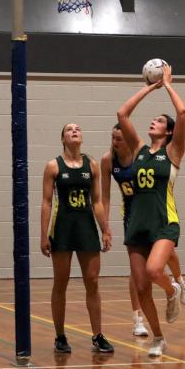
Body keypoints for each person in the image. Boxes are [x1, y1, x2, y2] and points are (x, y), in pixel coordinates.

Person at [116, 64, 185, 357]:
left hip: (164, 221)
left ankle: (172, 291)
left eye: (159, 120)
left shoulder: (174, 151)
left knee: (154, 269)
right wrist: (150, 86)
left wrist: (168, 84)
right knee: (142, 287)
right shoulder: (141, 149)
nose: (154, 122)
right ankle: (158, 337)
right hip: (137, 224)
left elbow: (182, 113)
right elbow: (122, 115)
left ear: (168, 131)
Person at [100, 124, 185, 337]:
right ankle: (138, 318)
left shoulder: (140, 154)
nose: (115, 142)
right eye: (113, 138)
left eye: (119, 138)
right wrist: (105, 226)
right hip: (132, 214)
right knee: (137, 273)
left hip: (154, 209)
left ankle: (179, 282)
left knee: (168, 254)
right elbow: (105, 196)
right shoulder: (108, 160)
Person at [40, 123, 114, 354]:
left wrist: (105, 229)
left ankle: (97, 335)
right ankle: (60, 336)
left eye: (78, 129)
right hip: (62, 227)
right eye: (69, 129)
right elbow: (46, 202)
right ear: (62, 137)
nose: (75, 131)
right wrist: (44, 235)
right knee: (60, 283)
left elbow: (97, 201)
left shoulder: (91, 164)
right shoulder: (53, 166)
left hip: (86, 227)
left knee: (92, 282)